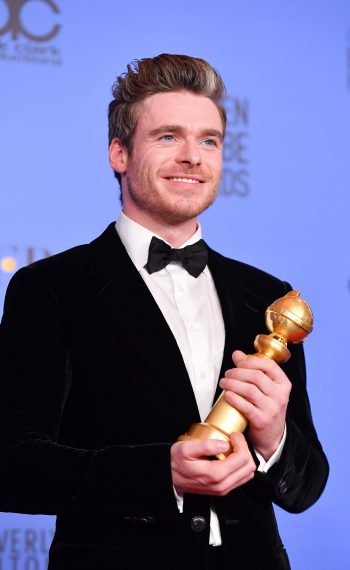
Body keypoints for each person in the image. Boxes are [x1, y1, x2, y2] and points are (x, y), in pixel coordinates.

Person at [0, 54, 328, 570]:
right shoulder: (50, 287)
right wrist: (159, 473)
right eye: (168, 137)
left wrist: (274, 440)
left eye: (209, 140)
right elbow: (10, 463)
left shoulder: (268, 296)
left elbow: (306, 487)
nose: (193, 157)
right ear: (119, 153)